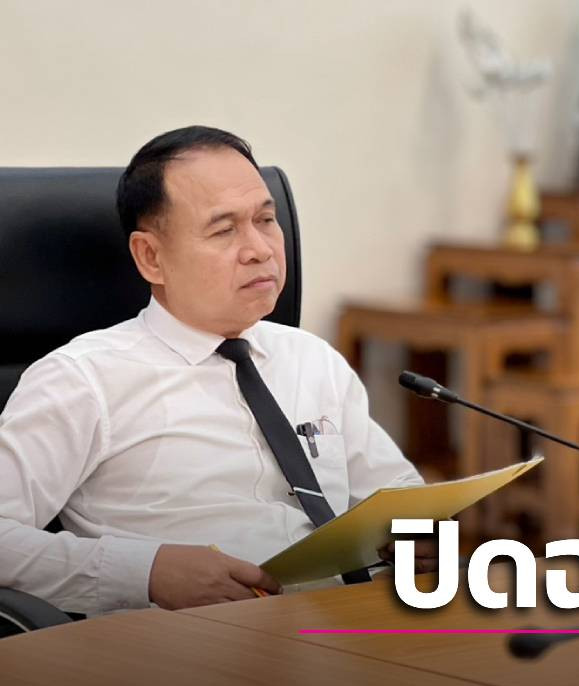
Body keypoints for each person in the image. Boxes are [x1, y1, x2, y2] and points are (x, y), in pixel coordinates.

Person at [0, 126, 433, 614]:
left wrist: (418, 535)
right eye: (224, 230)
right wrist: (145, 573)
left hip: (354, 620)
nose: (260, 249)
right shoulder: (82, 380)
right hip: (196, 642)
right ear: (151, 257)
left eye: (266, 220)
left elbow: (396, 495)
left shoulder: (313, 359)